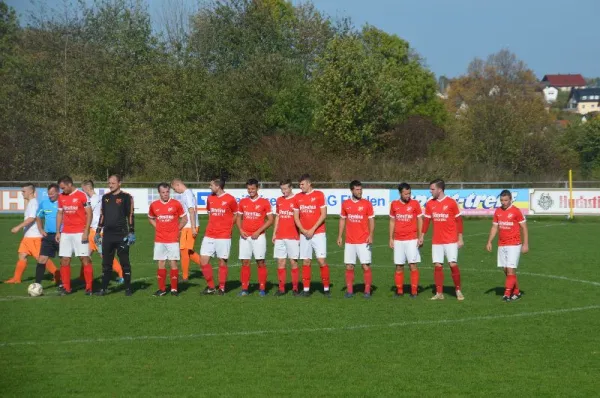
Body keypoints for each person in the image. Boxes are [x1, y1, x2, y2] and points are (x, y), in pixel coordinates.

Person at [5, 183, 58, 284]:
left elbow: (32, 218)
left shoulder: (34, 203)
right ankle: (16, 278)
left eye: (23, 191)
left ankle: (57, 274)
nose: (22, 193)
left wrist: (18, 227)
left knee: (41, 258)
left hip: (34, 237)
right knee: (22, 255)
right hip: (27, 237)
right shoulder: (30, 202)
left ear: (30, 191)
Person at [422, 179, 464, 301]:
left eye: (432, 189)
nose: (430, 191)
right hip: (437, 241)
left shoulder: (451, 203)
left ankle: (458, 290)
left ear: (439, 189)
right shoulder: (430, 204)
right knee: (438, 265)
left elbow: (459, 221)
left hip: (451, 240)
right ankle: (439, 293)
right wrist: (422, 235)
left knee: (452, 264)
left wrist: (460, 238)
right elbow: (426, 221)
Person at [94, 175, 136, 296]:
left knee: (124, 262)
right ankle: (104, 289)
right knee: (106, 264)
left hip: (121, 235)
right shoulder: (105, 197)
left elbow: (131, 215)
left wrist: (131, 231)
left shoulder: (126, 197)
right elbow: (103, 215)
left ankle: (128, 288)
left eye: (113, 183)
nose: (110, 185)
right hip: (107, 235)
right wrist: (98, 231)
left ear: (119, 183)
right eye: (109, 183)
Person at [486, 190, 529, 302]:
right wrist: (489, 241)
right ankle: (516, 292)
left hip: (514, 244)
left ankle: (507, 294)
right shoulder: (498, 211)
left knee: (510, 269)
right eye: (501, 200)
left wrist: (525, 244)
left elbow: (524, 228)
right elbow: (494, 227)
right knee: (506, 270)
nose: (503, 202)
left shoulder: (516, 211)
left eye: (506, 200)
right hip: (502, 244)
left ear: (510, 199)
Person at [199, 177, 238, 295]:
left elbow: (236, 214)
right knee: (203, 261)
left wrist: (228, 227)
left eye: (211, 185)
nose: (209, 187)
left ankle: (221, 287)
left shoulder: (230, 199)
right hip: (209, 234)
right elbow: (210, 213)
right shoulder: (210, 198)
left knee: (222, 261)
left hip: (223, 235)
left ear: (218, 186)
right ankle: (211, 287)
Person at [55, 175, 93, 295]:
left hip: (80, 232)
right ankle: (66, 288)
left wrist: (86, 231)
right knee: (64, 260)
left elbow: (89, 213)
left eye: (63, 187)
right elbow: (60, 214)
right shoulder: (61, 197)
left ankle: (89, 287)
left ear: (69, 184)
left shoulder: (82, 195)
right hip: (66, 233)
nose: (62, 190)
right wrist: (58, 231)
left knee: (84, 259)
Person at [81, 180, 124, 284]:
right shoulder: (96, 198)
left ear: (87, 188)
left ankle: (122, 274)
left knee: (105, 255)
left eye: (83, 189)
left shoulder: (94, 200)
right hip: (92, 231)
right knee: (84, 255)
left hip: (97, 232)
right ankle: (83, 277)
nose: (82, 191)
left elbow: (87, 213)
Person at [293, 174, 330, 297]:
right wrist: (303, 230)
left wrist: (313, 229)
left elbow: (323, 214)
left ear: (309, 184)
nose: (300, 186)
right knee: (306, 261)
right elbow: (296, 217)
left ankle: (326, 289)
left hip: (318, 233)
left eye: (302, 184)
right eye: (299, 184)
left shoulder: (319, 195)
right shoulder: (297, 197)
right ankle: (306, 289)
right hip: (304, 234)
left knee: (321, 260)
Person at [148, 182, 187, 296]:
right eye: (163, 192)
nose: (165, 194)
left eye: (167, 192)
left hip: (172, 239)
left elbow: (184, 219)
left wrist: (177, 229)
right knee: (161, 262)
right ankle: (162, 289)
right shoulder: (154, 205)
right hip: (160, 239)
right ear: (159, 193)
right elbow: (150, 218)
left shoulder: (176, 204)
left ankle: (174, 289)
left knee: (173, 262)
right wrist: (158, 227)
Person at [337, 180, 375, 298]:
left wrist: (371, 235)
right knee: (349, 266)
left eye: (361, 189)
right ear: (352, 190)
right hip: (349, 241)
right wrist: (339, 236)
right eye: (357, 190)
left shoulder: (367, 204)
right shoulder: (345, 204)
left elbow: (371, 220)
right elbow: (342, 219)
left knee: (365, 266)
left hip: (363, 240)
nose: (360, 192)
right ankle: (349, 291)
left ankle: (367, 291)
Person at [237, 179, 274, 296]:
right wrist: (241, 230)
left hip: (259, 237)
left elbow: (271, 219)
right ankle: (244, 289)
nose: (250, 191)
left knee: (260, 262)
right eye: (248, 189)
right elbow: (238, 218)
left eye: (253, 189)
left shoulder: (264, 202)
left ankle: (262, 289)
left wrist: (258, 231)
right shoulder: (243, 202)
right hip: (245, 237)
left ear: (258, 188)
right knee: (245, 262)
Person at [389, 183, 423, 298]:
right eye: (405, 193)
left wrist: (420, 236)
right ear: (400, 193)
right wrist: (391, 238)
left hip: (412, 239)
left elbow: (419, 220)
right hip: (398, 240)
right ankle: (399, 291)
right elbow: (392, 221)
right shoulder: (394, 204)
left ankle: (414, 291)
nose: (408, 195)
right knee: (399, 266)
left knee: (412, 265)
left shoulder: (415, 204)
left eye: (409, 193)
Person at [272, 179, 300, 296]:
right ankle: (281, 288)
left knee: (293, 262)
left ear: (291, 188)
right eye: (282, 189)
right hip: (280, 236)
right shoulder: (279, 200)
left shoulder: (297, 199)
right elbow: (278, 217)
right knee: (280, 262)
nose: (284, 191)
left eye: (285, 189)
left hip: (293, 236)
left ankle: (295, 288)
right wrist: (274, 233)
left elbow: (300, 218)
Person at [171, 179, 201, 281]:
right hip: (187, 226)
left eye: (175, 189)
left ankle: (184, 277)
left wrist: (193, 227)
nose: (175, 191)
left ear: (178, 185)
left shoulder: (187, 194)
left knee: (184, 251)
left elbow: (191, 211)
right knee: (186, 251)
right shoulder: (187, 193)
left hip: (190, 226)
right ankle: (204, 264)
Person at [34, 183, 61, 285]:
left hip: (62, 235)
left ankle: (63, 283)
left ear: (58, 192)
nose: (50, 196)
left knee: (64, 260)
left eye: (52, 193)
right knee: (42, 259)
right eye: (49, 194)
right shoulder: (44, 203)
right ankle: (37, 284)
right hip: (48, 236)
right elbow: (38, 216)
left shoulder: (63, 202)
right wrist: (41, 229)